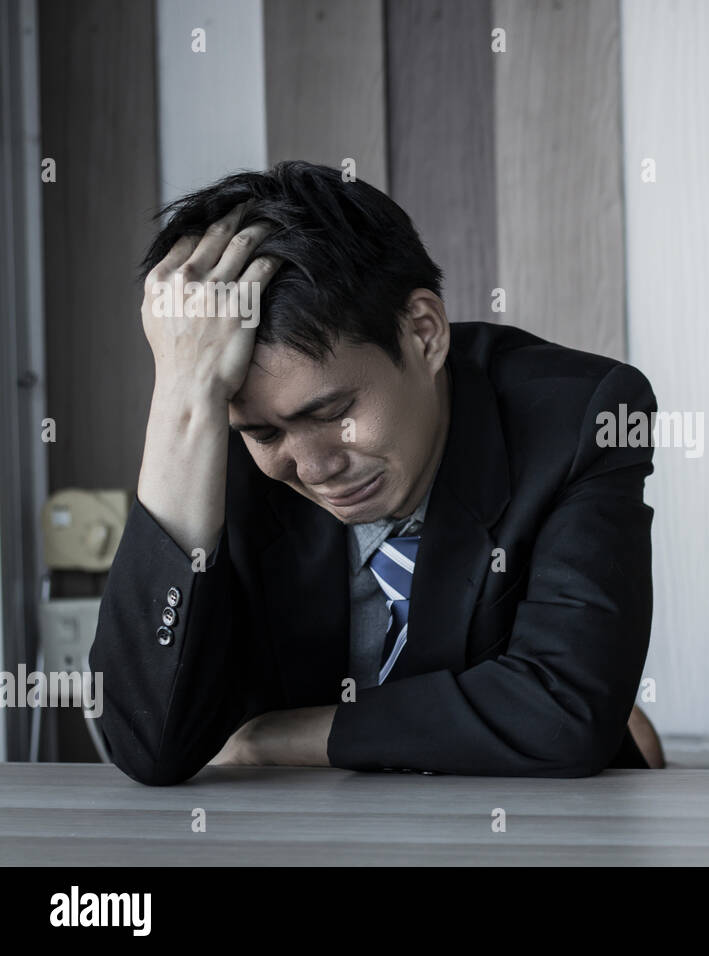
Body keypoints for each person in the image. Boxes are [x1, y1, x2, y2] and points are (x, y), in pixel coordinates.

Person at [87, 161, 660, 785]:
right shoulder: (212, 434)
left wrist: (278, 738)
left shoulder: (578, 417)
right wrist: (179, 396)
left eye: (333, 412)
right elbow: (147, 742)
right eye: (265, 434)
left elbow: (562, 714)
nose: (313, 467)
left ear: (423, 332)